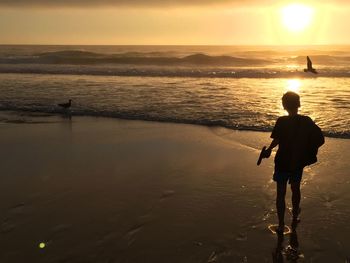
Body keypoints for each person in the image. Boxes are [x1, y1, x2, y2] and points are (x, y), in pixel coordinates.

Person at [261, 91, 324, 233]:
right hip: (297, 162)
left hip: (282, 161)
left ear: (284, 106)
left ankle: (281, 224)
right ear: (299, 104)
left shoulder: (281, 121)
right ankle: (295, 216)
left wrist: (269, 150)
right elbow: (320, 139)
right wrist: (308, 152)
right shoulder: (306, 121)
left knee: (280, 193)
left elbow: (276, 140)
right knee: (295, 189)